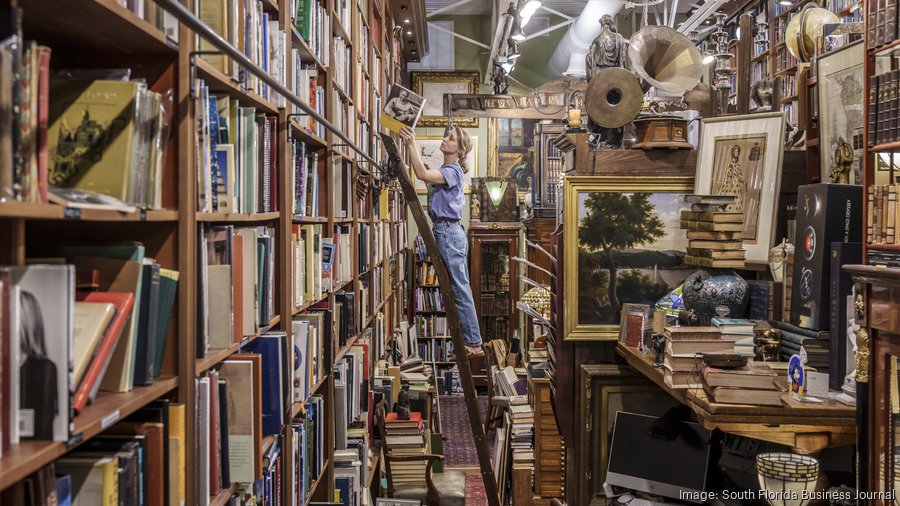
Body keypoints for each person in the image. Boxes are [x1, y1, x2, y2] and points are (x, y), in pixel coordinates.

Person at [399, 125, 484, 357]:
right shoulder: (447, 170)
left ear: (460, 149)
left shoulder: (454, 171)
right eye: (447, 135)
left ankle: (474, 343)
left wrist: (410, 145)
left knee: (460, 288)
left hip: (449, 232)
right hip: (447, 231)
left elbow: (423, 175)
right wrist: (430, 182)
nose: (445, 139)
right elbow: (431, 183)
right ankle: (472, 341)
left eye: (451, 138)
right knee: (457, 286)